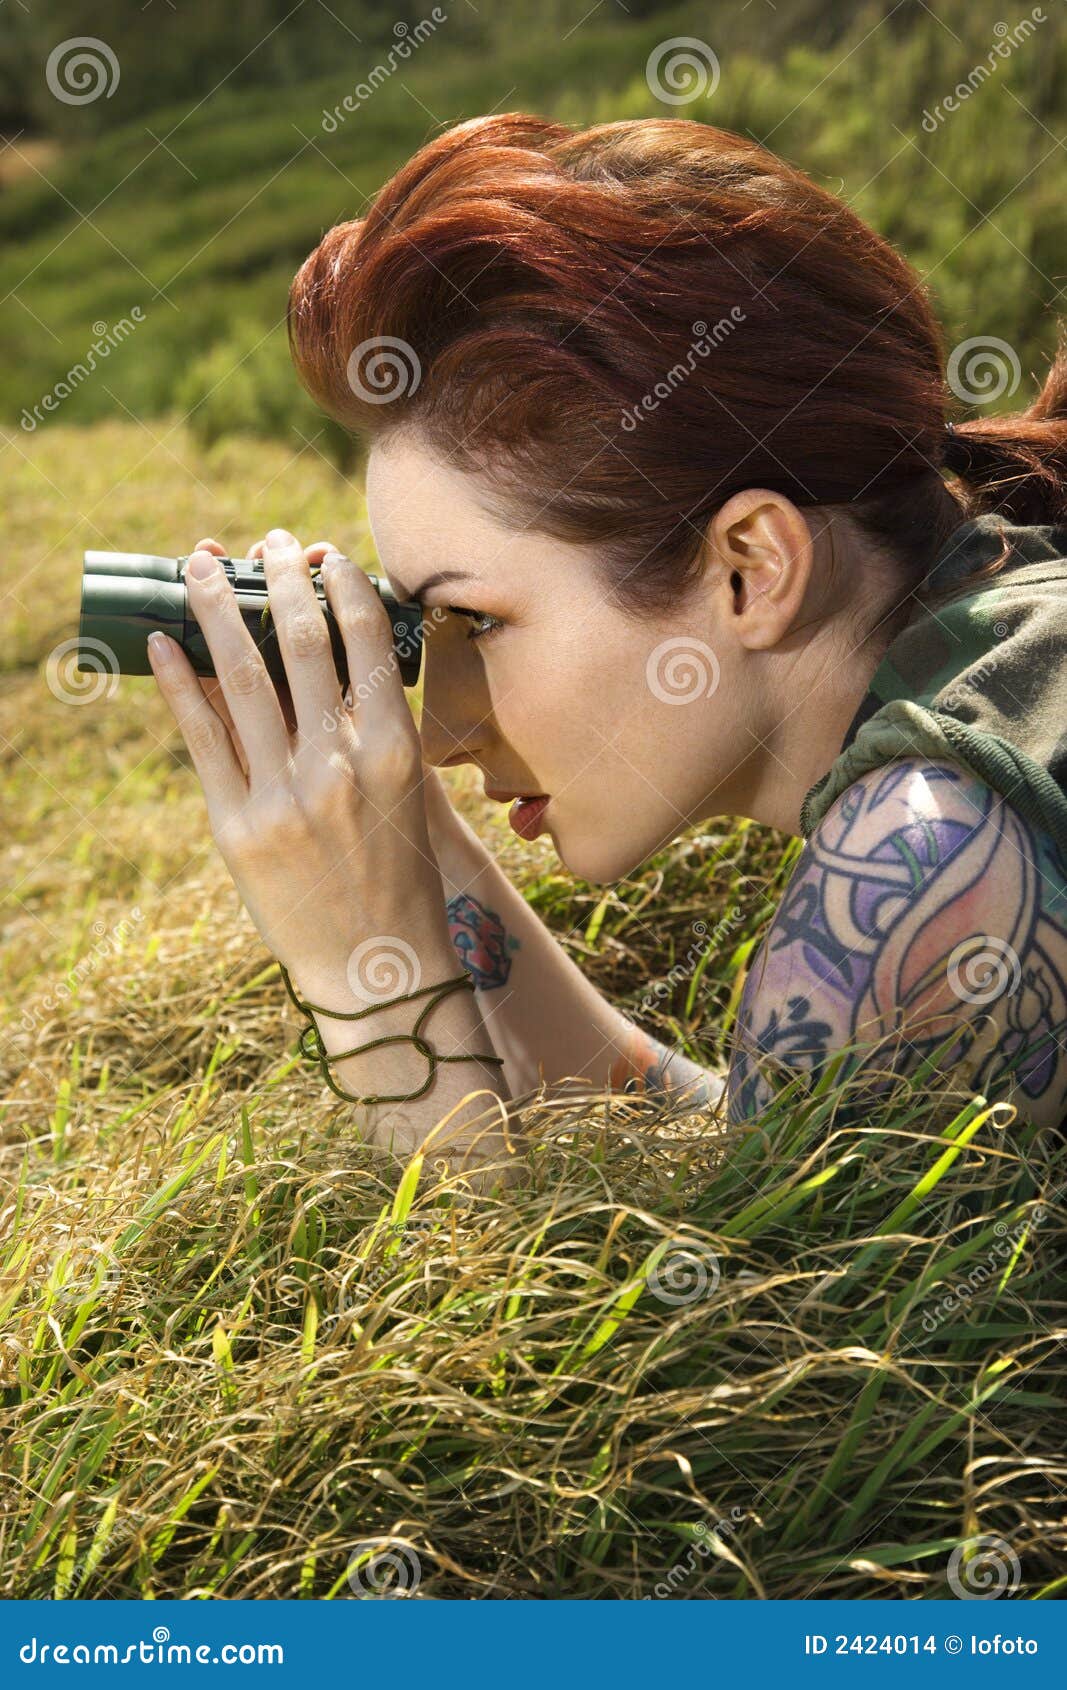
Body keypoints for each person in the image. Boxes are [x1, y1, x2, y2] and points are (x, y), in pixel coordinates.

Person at [146, 114, 1067, 1168]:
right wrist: (412, 839)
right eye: (421, 630)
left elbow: (740, 1327)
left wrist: (369, 976)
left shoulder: (930, 849)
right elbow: (741, 1152)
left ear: (749, 567)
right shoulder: (999, 643)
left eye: (478, 621)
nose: (441, 730)